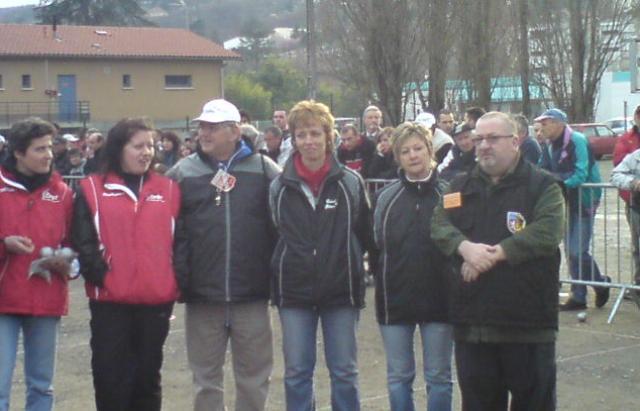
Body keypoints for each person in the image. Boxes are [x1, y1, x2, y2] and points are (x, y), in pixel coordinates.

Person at [431, 111, 565, 411]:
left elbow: (548, 231)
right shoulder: (458, 187)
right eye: (479, 139)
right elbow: (439, 225)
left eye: (493, 138)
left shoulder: (543, 186)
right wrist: (465, 248)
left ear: (515, 141)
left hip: (527, 325)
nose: (483, 145)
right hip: (474, 326)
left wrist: (493, 255)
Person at [167, 99, 280, 411]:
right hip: (203, 296)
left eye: (213, 127)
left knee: (255, 379)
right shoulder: (182, 173)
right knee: (205, 380)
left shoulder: (264, 170)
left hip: (252, 295)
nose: (204, 132)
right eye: (202, 126)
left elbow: (285, 222)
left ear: (234, 130)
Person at [269, 100, 372, 411]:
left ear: (329, 136)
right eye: (301, 135)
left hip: (341, 291)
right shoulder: (279, 187)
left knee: (344, 371)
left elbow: (363, 231)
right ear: (294, 139)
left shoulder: (350, 184)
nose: (309, 141)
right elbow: (276, 232)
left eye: (315, 133)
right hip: (295, 292)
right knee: (297, 373)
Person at [71, 118, 180, 411]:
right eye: (138, 146)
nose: (147, 152)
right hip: (110, 301)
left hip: (155, 300)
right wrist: (104, 277)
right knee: (110, 378)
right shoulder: (91, 189)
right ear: (119, 148)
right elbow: (83, 241)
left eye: (150, 145)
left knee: (146, 379)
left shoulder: (169, 188)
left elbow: (181, 240)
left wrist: (171, 278)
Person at [373, 122, 453, 411]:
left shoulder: (450, 193)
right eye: (405, 151)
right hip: (395, 299)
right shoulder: (385, 198)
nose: (413, 155)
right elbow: (376, 243)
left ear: (430, 150)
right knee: (398, 376)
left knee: (439, 376)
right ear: (397, 157)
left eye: (418, 148)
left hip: (440, 300)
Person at [0, 117, 74, 411]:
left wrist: (66, 261)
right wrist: (3, 244)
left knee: (42, 386)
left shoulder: (64, 194)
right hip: (3, 301)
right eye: (39, 149)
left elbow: (75, 244)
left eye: (50, 148)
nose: (48, 155)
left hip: (46, 299)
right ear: (18, 153)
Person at [537, 108, 609, 310]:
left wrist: (558, 182)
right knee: (571, 250)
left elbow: (581, 172)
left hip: (585, 198)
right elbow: (543, 169)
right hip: (567, 198)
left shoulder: (576, 140)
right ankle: (580, 295)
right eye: (541, 123)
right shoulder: (550, 146)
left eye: (546, 122)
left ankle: (600, 283)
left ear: (559, 123)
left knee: (578, 250)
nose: (542, 127)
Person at [612, 104, 640, 293]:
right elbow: (615, 174)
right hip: (637, 208)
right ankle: (638, 286)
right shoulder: (634, 155)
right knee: (638, 248)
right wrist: (634, 183)